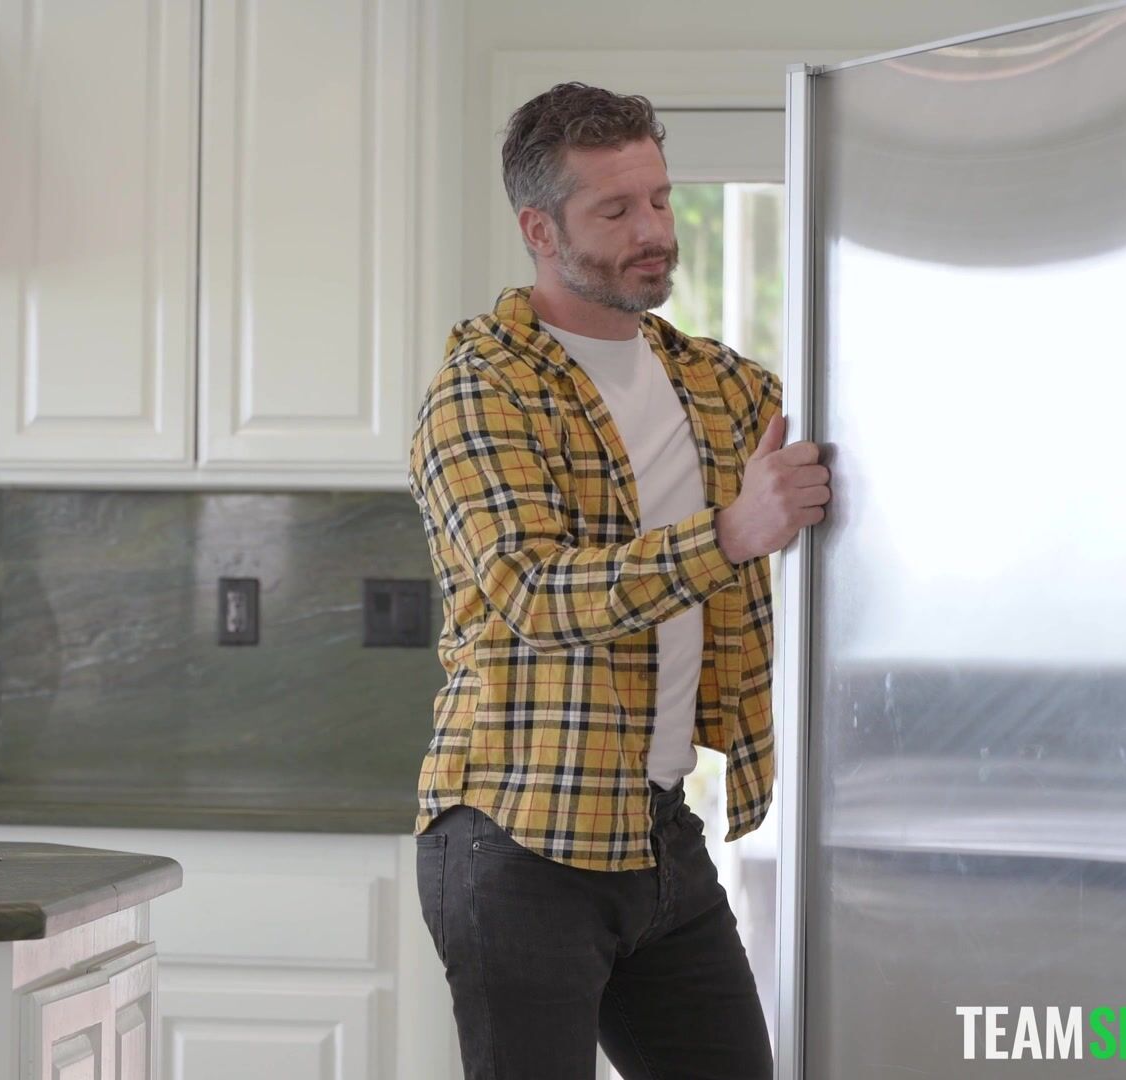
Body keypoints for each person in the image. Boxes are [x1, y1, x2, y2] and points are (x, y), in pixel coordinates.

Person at [405, 81, 832, 1079]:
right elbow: (532, 592)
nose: (654, 231)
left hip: (658, 831)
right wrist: (733, 532)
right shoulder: (483, 388)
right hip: (517, 837)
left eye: (660, 199)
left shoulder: (719, 385)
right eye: (615, 210)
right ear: (540, 230)